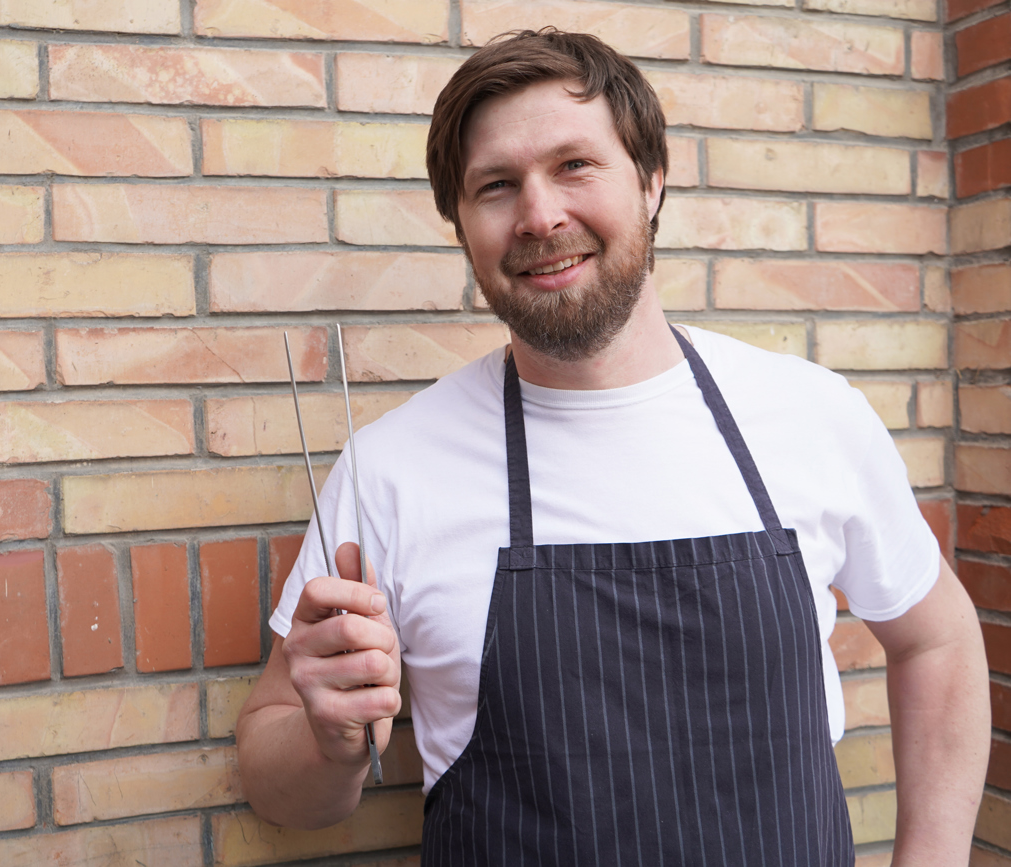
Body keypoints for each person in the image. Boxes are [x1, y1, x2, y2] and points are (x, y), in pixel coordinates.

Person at [236, 28, 989, 865]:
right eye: (495, 185)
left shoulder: (809, 415)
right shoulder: (389, 472)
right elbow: (274, 772)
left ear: (652, 180)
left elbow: (939, 639)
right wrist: (329, 741)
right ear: (461, 227)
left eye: (574, 165)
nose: (540, 214)